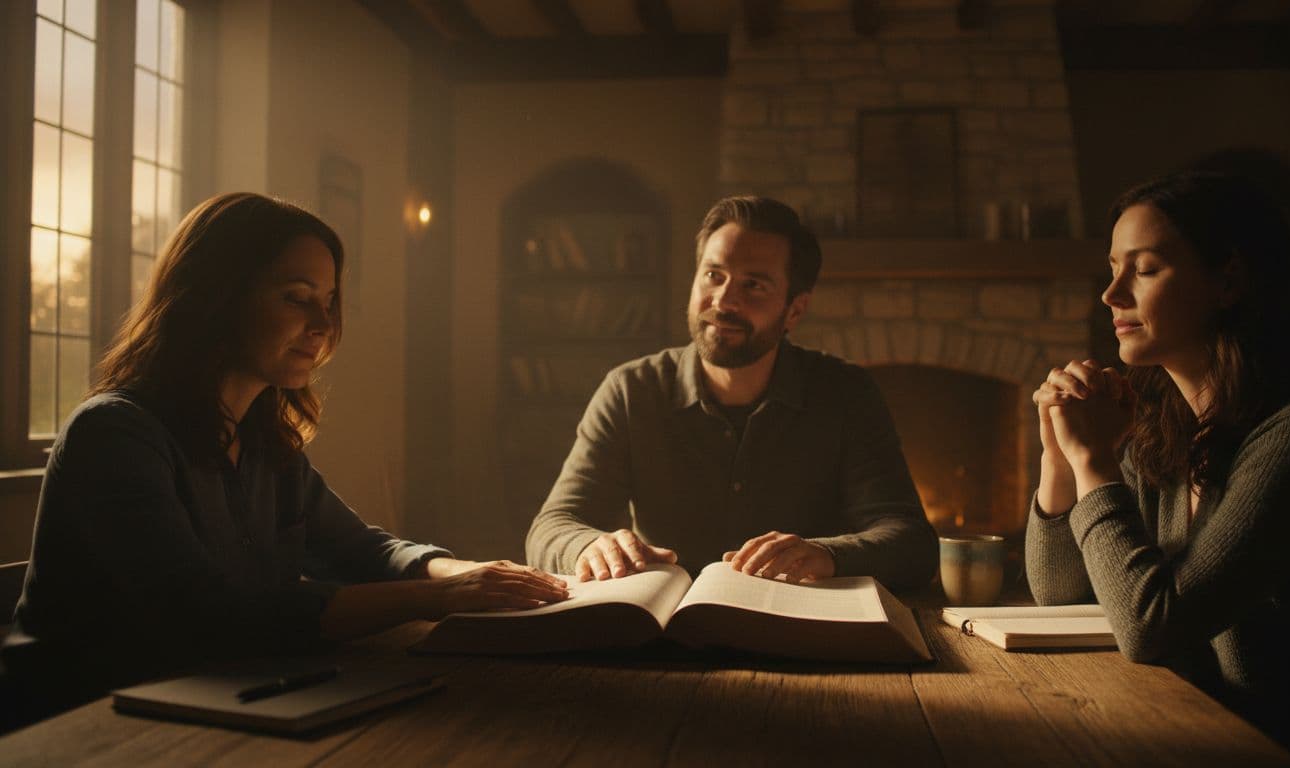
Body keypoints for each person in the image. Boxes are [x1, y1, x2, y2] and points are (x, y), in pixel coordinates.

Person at [3, 193, 567, 722]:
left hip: (225, 702)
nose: (323, 327)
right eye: (297, 298)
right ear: (214, 298)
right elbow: (207, 619)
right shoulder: (115, 434)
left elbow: (360, 549)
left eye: (328, 302)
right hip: (86, 724)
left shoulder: (266, 445)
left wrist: (472, 575)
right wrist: (436, 595)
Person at [1025, 172, 1290, 763]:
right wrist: (1059, 457)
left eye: (1143, 269)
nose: (1111, 293)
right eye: (1113, 267)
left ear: (1227, 280)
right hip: (1175, 735)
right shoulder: (1168, 429)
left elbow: (1151, 627)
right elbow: (1060, 594)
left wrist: (1094, 460)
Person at [525, 196, 937, 589]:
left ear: (794, 309)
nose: (723, 300)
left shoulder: (846, 393)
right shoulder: (631, 390)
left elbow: (912, 542)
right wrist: (587, 545)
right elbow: (552, 527)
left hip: (800, 630)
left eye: (753, 285)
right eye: (713, 275)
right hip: (665, 630)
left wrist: (826, 554)